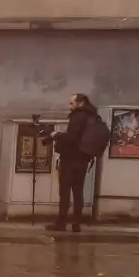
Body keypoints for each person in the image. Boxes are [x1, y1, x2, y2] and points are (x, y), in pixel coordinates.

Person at [46, 93, 98, 232]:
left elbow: (72, 138)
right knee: (78, 191)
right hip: (83, 159)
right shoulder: (92, 116)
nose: (69, 106)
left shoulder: (78, 117)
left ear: (80, 103)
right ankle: (76, 223)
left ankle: (61, 222)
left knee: (65, 191)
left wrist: (56, 135)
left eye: (71, 103)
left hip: (70, 158)